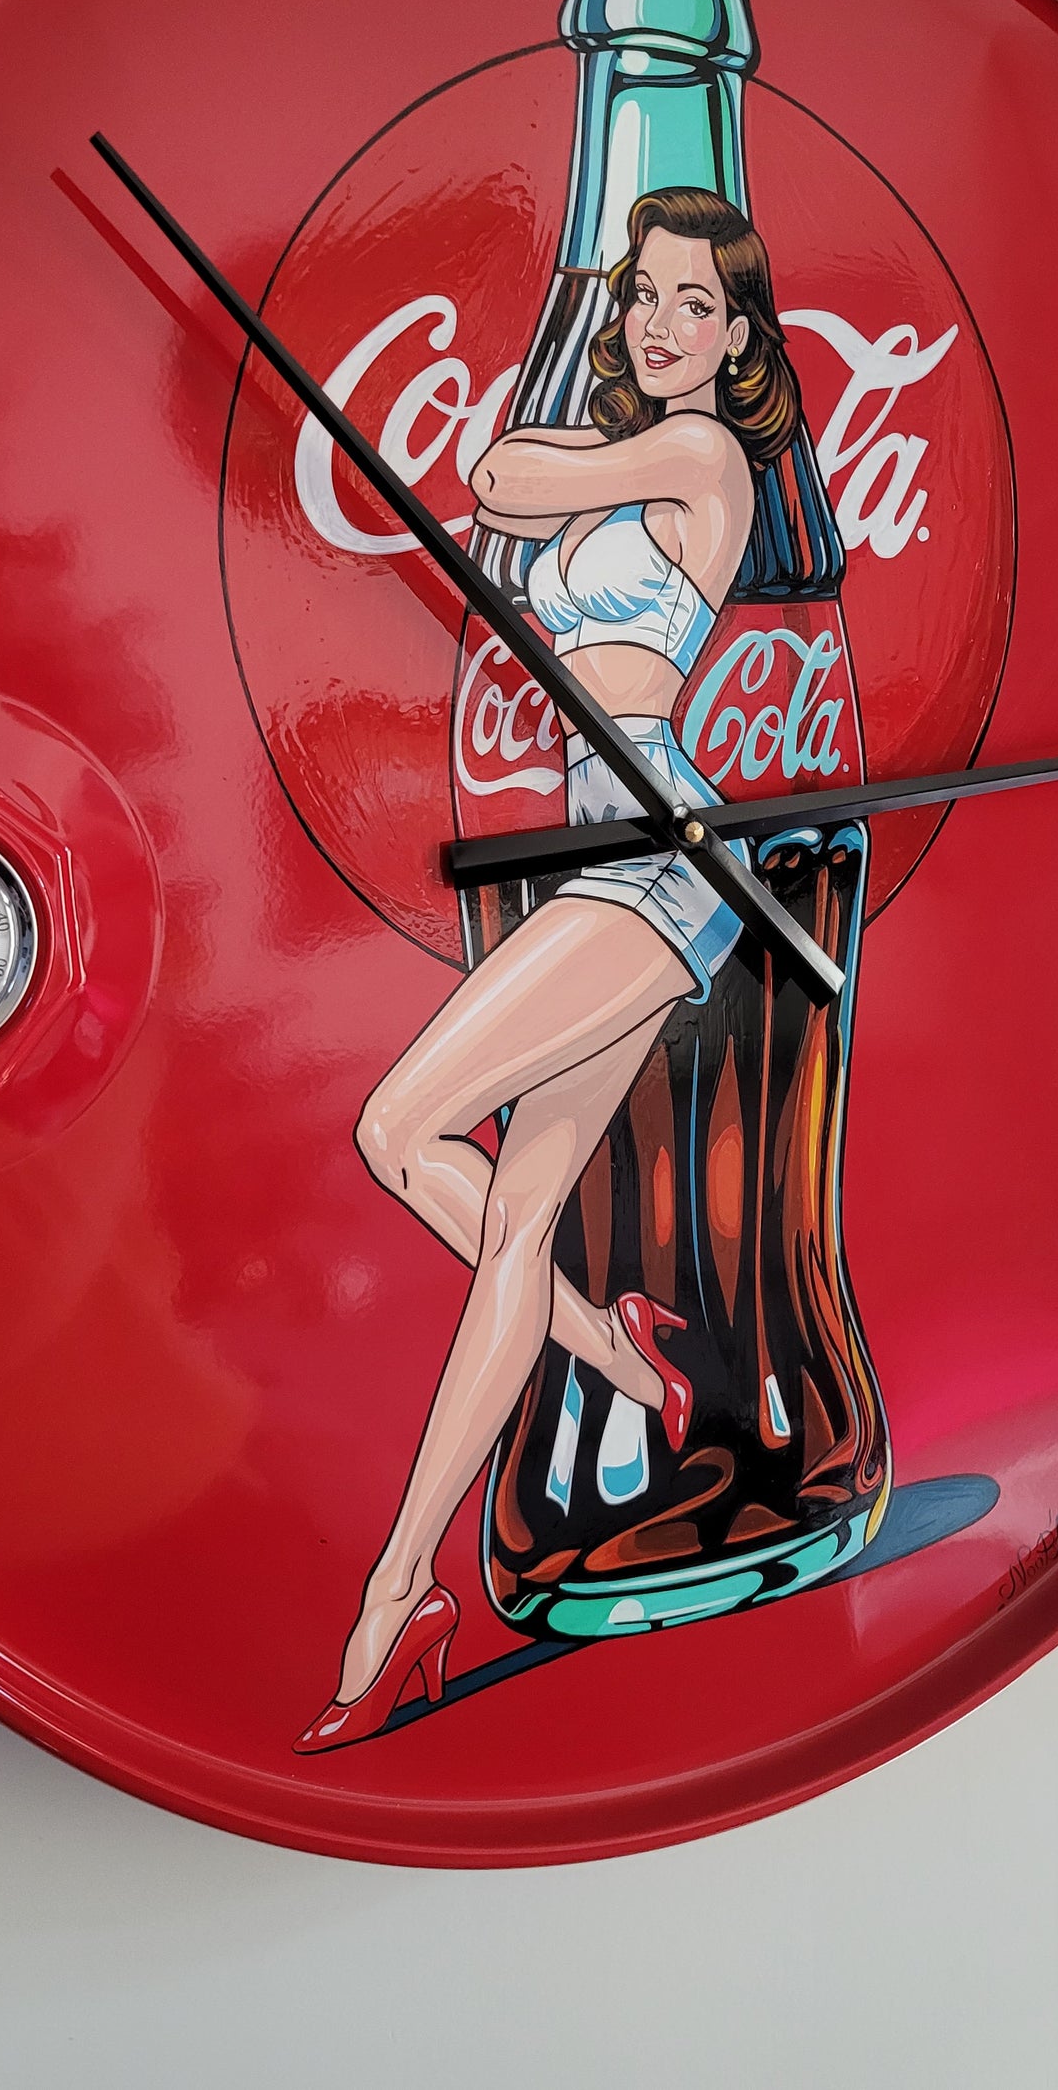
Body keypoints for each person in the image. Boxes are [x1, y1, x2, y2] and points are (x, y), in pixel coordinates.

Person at [296, 185, 806, 1754]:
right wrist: (553, 467)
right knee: (512, 1221)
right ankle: (440, 1557)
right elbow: (511, 484)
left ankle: (398, 1584)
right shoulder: (631, 458)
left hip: (657, 854)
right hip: (600, 849)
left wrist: (555, 465)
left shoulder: (704, 455)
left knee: (398, 1129)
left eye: (695, 304)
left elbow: (502, 477)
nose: (659, 325)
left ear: (740, 337)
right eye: (641, 293)